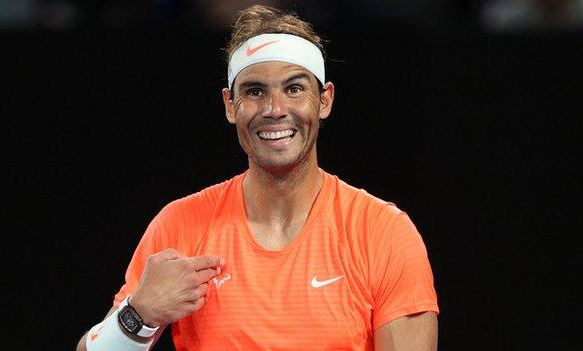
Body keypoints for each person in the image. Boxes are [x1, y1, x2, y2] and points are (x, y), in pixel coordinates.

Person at [76, 5, 439, 351]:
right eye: (254, 91)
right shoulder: (180, 225)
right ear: (230, 105)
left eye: (294, 89)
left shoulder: (384, 233)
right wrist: (138, 314)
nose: (274, 110)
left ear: (324, 100)